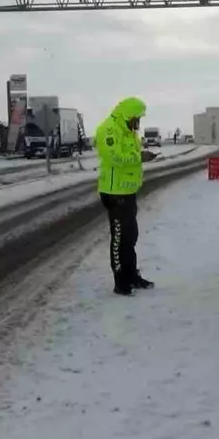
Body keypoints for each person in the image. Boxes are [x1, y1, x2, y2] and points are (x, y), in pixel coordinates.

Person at [95, 96, 154, 296]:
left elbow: (131, 156)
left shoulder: (130, 132)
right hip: (114, 193)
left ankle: (131, 276)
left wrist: (142, 155)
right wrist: (140, 157)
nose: (138, 122)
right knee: (119, 239)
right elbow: (115, 158)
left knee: (131, 237)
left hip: (128, 192)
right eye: (136, 118)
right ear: (127, 115)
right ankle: (120, 282)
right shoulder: (108, 130)